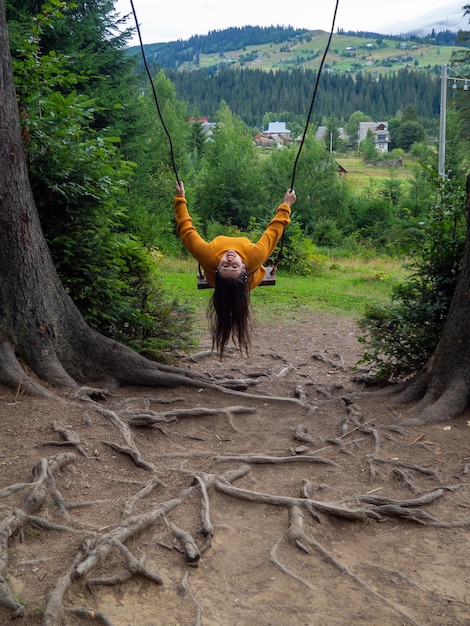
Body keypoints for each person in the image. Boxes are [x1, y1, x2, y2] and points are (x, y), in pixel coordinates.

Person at [174, 181, 296, 355]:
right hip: (249, 278)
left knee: (227, 287)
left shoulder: (208, 256)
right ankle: (236, 283)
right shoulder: (255, 256)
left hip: (222, 279)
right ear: (244, 267)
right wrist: (287, 203)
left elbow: (186, 229)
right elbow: (274, 230)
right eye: (234, 265)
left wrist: (180, 198)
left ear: (217, 268)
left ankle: (227, 283)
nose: (230, 258)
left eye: (225, 265)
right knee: (236, 287)